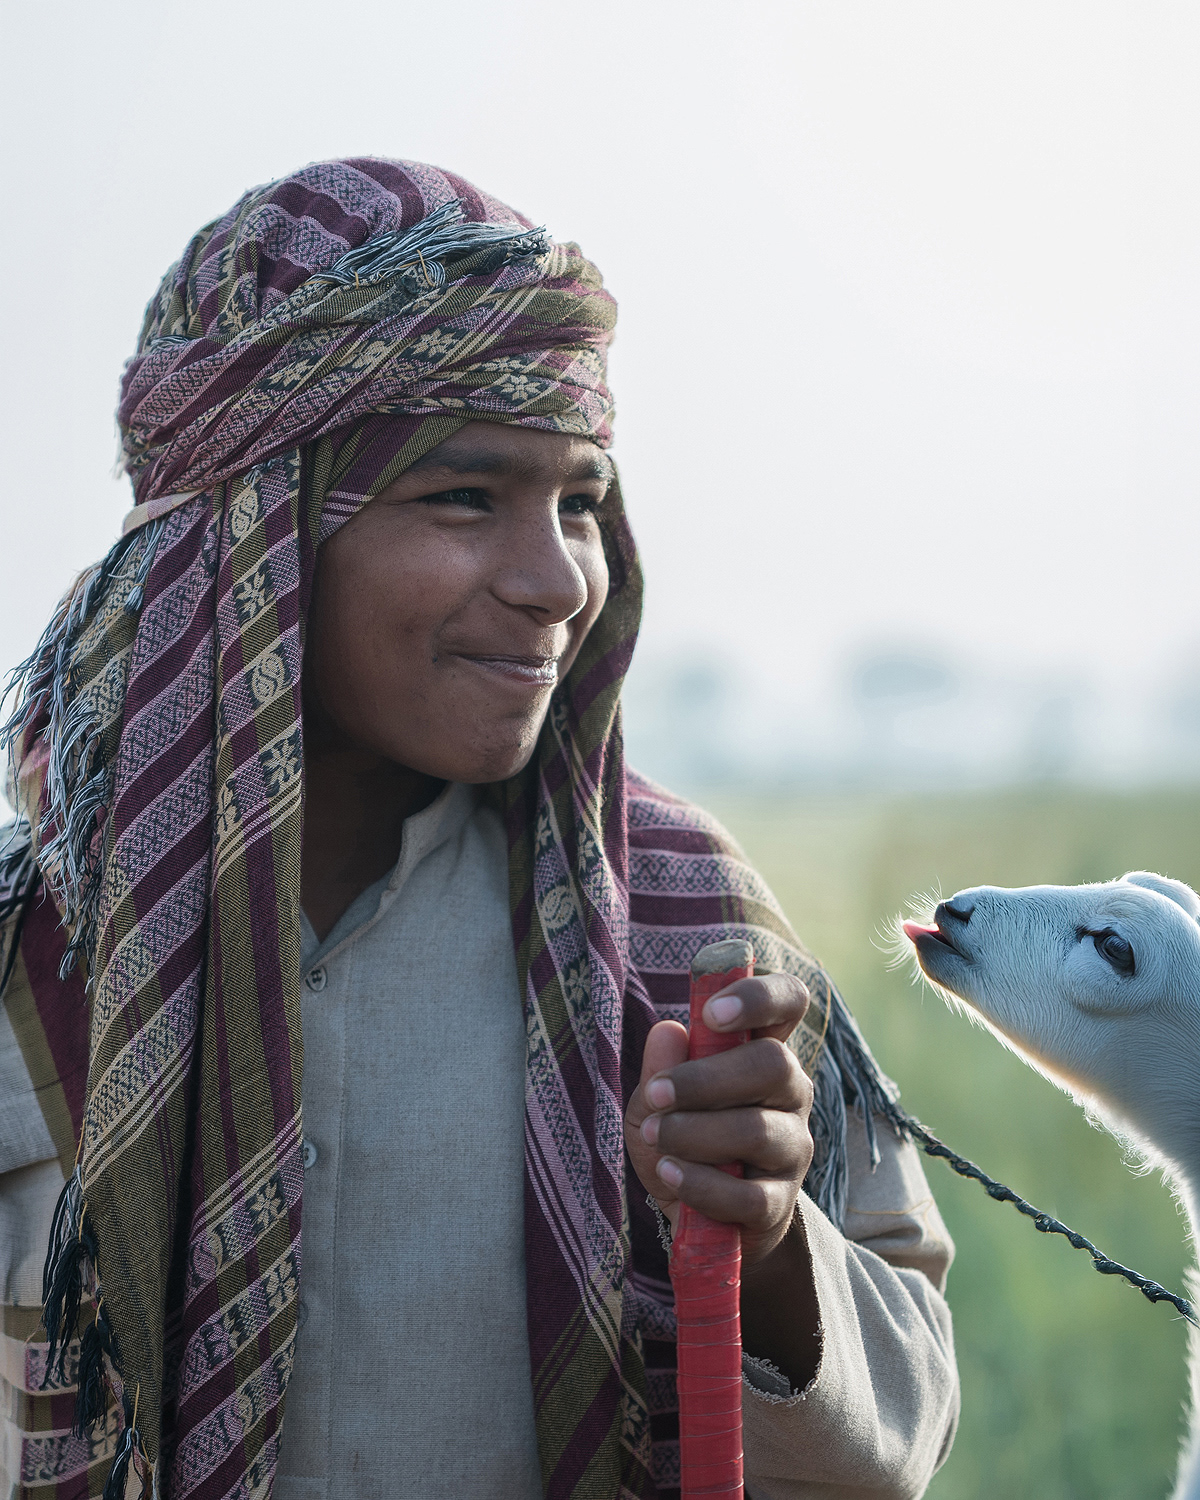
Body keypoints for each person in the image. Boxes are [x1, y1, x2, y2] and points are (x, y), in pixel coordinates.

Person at [0, 159, 958, 1500]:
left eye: (579, 501)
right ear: (254, 536)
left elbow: (899, 1446)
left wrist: (766, 1239)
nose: (557, 579)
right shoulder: (35, 943)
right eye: (465, 499)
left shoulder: (674, 926)